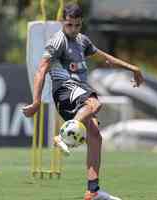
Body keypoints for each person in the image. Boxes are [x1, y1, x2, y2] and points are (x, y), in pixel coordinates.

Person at [22, 4, 144, 200]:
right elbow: (41, 70)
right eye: (69, 25)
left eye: (77, 25)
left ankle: (93, 191)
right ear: (63, 22)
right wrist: (36, 101)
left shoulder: (82, 41)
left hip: (78, 94)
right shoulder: (57, 42)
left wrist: (133, 68)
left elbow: (105, 58)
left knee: (96, 136)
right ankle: (64, 137)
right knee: (94, 103)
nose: (73, 29)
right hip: (65, 90)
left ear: (81, 24)